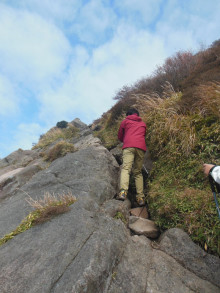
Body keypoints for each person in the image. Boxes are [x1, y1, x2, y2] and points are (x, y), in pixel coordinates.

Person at [117, 108, 147, 206]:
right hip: (141, 148)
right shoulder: (143, 124)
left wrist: (125, 139)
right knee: (138, 172)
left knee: (126, 169)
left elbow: (120, 136)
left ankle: (123, 192)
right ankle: (140, 198)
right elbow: (143, 135)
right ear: (137, 115)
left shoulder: (125, 122)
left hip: (129, 146)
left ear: (128, 114)